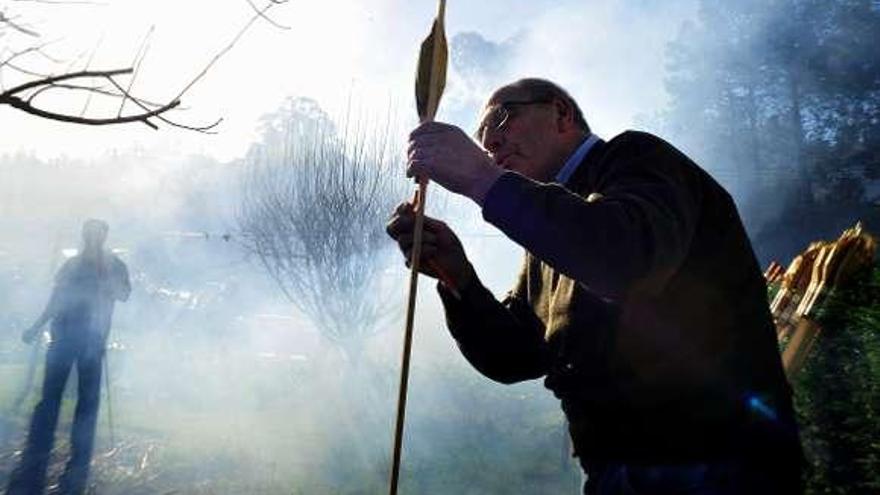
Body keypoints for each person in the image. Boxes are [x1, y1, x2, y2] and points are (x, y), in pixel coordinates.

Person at [386, 78, 803, 494]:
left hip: (716, 460)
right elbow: (515, 356)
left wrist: (481, 180)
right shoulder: (547, 233)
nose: (489, 144)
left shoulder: (637, 158)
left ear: (561, 113)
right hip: (615, 472)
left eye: (501, 118)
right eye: (480, 140)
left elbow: (627, 260)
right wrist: (456, 275)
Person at [7, 219, 131, 495]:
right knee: (50, 396)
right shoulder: (72, 265)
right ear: (84, 236)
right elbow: (56, 298)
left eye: (96, 234)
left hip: (93, 340)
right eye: (88, 234)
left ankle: (80, 455)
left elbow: (125, 294)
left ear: (104, 236)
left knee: (87, 400)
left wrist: (110, 288)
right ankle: (38, 449)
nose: (91, 238)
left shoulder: (114, 266)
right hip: (63, 337)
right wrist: (37, 326)